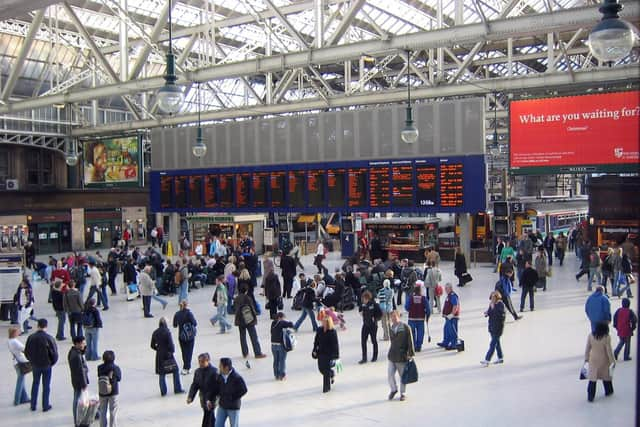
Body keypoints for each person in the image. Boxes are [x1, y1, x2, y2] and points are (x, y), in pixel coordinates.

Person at [25, 318, 58, 412]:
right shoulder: (49, 338)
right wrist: (52, 362)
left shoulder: (31, 337)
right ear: (46, 326)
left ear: (37, 325)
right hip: (47, 364)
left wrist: (31, 361)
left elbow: (27, 351)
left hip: (35, 364)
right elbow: (54, 353)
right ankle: (45, 405)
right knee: (46, 385)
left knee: (35, 383)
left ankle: (33, 404)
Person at [151, 317, 184, 396]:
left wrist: (158, 349)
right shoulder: (167, 332)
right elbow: (171, 345)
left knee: (161, 373)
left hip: (159, 356)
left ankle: (163, 391)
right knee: (175, 370)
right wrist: (171, 351)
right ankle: (177, 389)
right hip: (168, 355)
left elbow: (152, 345)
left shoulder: (155, 332)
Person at [386, 310, 414, 401]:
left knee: (402, 376)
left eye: (395, 316)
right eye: (392, 317)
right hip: (392, 355)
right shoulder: (391, 328)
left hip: (401, 356)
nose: (393, 319)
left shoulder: (405, 327)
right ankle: (394, 389)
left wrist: (410, 353)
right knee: (390, 375)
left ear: (399, 316)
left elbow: (410, 341)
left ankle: (403, 393)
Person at [234, 285, 267, 360]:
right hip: (249, 320)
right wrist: (255, 317)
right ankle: (257, 353)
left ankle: (245, 353)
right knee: (254, 337)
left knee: (242, 337)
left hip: (240, 320)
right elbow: (252, 308)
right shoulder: (248, 298)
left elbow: (234, 308)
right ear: (246, 291)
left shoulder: (236, 298)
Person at [584, 322, 615, 402]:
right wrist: (612, 361)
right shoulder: (606, 337)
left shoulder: (591, 336)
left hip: (593, 360)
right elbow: (609, 351)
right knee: (606, 376)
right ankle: (609, 391)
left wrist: (586, 358)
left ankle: (590, 396)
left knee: (593, 378)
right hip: (604, 360)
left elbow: (587, 348)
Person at [188, 353, 219, 427]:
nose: (200, 363)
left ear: (208, 361)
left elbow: (217, 386)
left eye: (202, 361)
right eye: (199, 361)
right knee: (210, 417)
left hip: (212, 399)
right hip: (203, 397)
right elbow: (195, 385)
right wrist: (190, 397)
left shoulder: (214, 372)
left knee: (208, 415)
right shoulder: (198, 372)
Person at [214, 358, 247, 427]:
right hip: (222, 406)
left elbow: (244, 390)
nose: (219, 368)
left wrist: (233, 397)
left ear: (226, 367)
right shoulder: (219, 376)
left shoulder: (237, 378)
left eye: (220, 366)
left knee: (234, 425)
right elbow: (216, 388)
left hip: (233, 407)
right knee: (218, 425)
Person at [312, 315, 340, 393]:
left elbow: (335, 344)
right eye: (322, 322)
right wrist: (314, 350)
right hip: (320, 353)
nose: (322, 323)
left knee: (326, 371)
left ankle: (326, 389)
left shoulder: (332, 332)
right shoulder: (319, 330)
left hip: (329, 354)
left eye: (324, 322)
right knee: (321, 369)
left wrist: (336, 356)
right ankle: (332, 374)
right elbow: (316, 341)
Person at [481, 291, 506, 366]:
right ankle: (500, 357)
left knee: (492, 344)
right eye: (491, 298)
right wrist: (487, 313)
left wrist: (493, 308)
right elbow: (490, 312)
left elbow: (501, 315)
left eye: (493, 297)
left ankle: (487, 359)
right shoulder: (492, 304)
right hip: (492, 326)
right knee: (497, 343)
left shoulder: (500, 304)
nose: (492, 299)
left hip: (498, 327)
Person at [7, 325, 31, 406]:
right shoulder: (15, 341)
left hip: (16, 362)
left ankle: (24, 397)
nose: (19, 332)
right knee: (20, 381)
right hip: (21, 362)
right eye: (18, 331)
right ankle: (17, 400)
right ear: (14, 333)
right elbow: (24, 348)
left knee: (22, 380)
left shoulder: (10, 341)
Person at [68, 335, 89, 426]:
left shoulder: (73, 352)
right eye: (83, 343)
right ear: (77, 344)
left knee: (78, 398)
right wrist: (84, 384)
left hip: (76, 379)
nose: (84, 345)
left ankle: (79, 417)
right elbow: (80, 371)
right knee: (78, 400)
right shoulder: (76, 356)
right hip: (79, 381)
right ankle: (77, 418)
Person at [97, 350, 122, 427]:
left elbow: (99, 376)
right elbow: (119, 378)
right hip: (113, 392)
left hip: (102, 391)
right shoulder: (116, 368)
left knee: (103, 411)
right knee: (113, 411)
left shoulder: (100, 367)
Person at [173, 300, 198, 375]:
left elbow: (174, 325)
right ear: (186, 305)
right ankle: (187, 367)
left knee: (184, 352)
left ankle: (185, 367)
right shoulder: (189, 314)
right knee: (189, 351)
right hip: (190, 336)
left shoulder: (177, 314)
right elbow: (195, 323)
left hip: (181, 336)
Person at [404, 283, 430, 352]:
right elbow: (428, 309)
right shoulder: (423, 298)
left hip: (411, 318)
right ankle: (419, 346)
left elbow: (406, 307)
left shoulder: (410, 297)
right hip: (421, 318)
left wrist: (410, 310)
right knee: (420, 332)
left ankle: (413, 346)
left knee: (412, 332)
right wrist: (427, 316)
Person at [358, 291, 382, 363]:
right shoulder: (363, 305)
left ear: (368, 298)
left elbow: (380, 314)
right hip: (365, 324)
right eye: (363, 299)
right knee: (363, 341)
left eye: (364, 299)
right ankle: (364, 358)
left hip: (373, 325)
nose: (363, 300)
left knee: (373, 340)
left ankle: (375, 356)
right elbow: (360, 311)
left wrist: (375, 319)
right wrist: (361, 313)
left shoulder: (374, 304)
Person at [270, 312, 295, 380]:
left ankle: (276, 375)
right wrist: (285, 321)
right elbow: (291, 324)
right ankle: (282, 375)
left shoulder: (273, 323)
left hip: (273, 344)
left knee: (276, 360)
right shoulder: (281, 322)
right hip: (280, 345)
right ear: (280, 318)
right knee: (282, 360)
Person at [438, 284, 460, 350]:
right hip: (448, 317)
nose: (445, 290)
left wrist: (452, 314)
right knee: (446, 330)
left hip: (452, 317)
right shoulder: (449, 296)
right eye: (445, 288)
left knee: (452, 331)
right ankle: (445, 342)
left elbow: (455, 305)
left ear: (450, 288)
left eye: (447, 288)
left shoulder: (453, 296)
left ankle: (453, 344)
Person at [377, 270, 395, 341]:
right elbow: (391, 298)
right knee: (389, 322)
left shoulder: (381, 290)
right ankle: (391, 335)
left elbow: (378, 296)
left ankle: (386, 336)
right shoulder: (391, 291)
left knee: (384, 323)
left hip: (383, 308)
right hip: (389, 308)